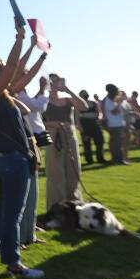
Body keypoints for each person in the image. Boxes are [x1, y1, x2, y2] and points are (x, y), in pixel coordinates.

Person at [0, 21, 44, 279]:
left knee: (3, 205)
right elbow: (14, 67)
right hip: (13, 161)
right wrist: (20, 37)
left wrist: (40, 52)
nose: (9, 71)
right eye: (3, 69)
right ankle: (13, 263)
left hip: (3, 160)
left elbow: (23, 76)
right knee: (14, 212)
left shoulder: (0, 94)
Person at [9, 39, 48, 247]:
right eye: (21, 72)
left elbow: (27, 73)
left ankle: (29, 235)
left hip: (30, 144)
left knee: (33, 193)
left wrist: (40, 54)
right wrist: (33, 48)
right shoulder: (9, 91)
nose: (25, 75)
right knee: (21, 197)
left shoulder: (16, 91)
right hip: (16, 147)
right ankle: (19, 237)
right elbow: (19, 68)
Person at [42, 74, 86, 210]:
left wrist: (68, 90)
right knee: (55, 171)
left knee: (73, 168)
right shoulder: (43, 101)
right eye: (53, 82)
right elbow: (39, 123)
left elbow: (83, 106)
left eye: (58, 81)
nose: (56, 84)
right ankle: (57, 206)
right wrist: (51, 124)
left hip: (69, 134)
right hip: (53, 135)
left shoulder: (68, 100)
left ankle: (74, 202)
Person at [102, 85, 130, 165]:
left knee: (117, 143)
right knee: (117, 144)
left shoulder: (112, 100)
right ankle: (118, 160)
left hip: (118, 124)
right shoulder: (107, 100)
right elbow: (114, 112)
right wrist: (119, 103)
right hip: (114, 125)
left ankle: (117, 159)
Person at [78, 90, 105, 164]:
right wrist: (79, 126)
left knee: (100, 141)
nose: (85, 95)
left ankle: (100, 158)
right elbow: (76, 116)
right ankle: (89, 160)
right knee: (87, 143)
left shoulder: (93, 103)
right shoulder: (78, 104)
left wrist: (99, 118)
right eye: (83, 94)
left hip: (95, 123)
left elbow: (99, 112)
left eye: (86, 93)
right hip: (85, 125)